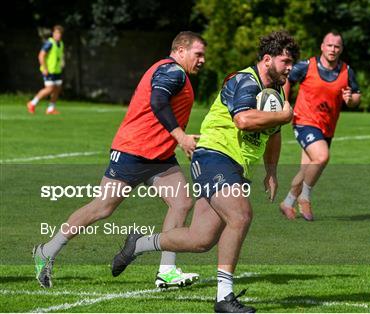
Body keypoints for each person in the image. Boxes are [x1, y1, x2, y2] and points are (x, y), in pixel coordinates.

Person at [110, 30, 299, 313]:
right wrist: (284, 115)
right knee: (241, 215)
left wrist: (271, 171)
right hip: (214, 156)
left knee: (201, 240)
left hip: (236, 165)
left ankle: (139, 244)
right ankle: (224, 298)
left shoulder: (274, 92)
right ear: (267, 59)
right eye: (285, 61)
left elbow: (273, 133)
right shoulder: (244, 81)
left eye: (292, 62)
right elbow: (244, 120)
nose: (290, 67)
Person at [32, 31, 206, 289]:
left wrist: (180, 138)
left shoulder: (172, 72)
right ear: (181, 51)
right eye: (198, 54)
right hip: (133, 152)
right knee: (102, 207)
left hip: (158, 156)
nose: (202, 60)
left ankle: (166, 271)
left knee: (181, 202)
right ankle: (47, 251)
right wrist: (180, 137)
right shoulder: (173, 72)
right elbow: (157, 102)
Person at [279, 31, 361, 221]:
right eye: (329, 45)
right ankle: (305, 198)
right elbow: (286, 80)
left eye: (337, 46)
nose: (333, 49)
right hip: (304, 121)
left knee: (307, 169)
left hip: (327, 127)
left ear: (341, 49)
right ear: (322, 46)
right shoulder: (306, 66)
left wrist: (351, 100)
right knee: (322, 156)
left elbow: (356, 95)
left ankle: (287, 202)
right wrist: (284, 102)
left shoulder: (347, 71)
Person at [27, 25, 65, 115]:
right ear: (53, 33)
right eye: (56, 33)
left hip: (57, 71)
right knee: (49, 89)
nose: (58, 35)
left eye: (59, 33)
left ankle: (51, 108)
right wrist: (44, 68)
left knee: (57, 89)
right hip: (49, 71)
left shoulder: (61, 44)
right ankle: (32, 103)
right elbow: (41, 55)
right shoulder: (49, 43)